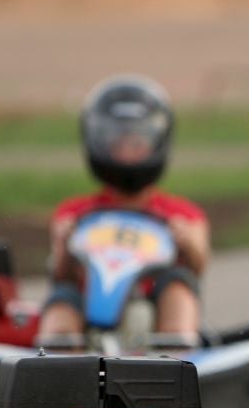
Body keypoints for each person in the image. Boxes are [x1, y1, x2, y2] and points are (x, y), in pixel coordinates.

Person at [38, 75, 209, 343]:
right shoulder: (74, 213)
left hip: (154, 305)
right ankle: (55, 360)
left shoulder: (183, 215)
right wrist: (63, 244)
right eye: (119, 145)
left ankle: (177, 352)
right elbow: (61, 277)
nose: (128, 154)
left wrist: (187, 242)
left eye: (137, 145)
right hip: (88, 313)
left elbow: (198, 267)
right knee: (62, 299)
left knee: (178, 285)